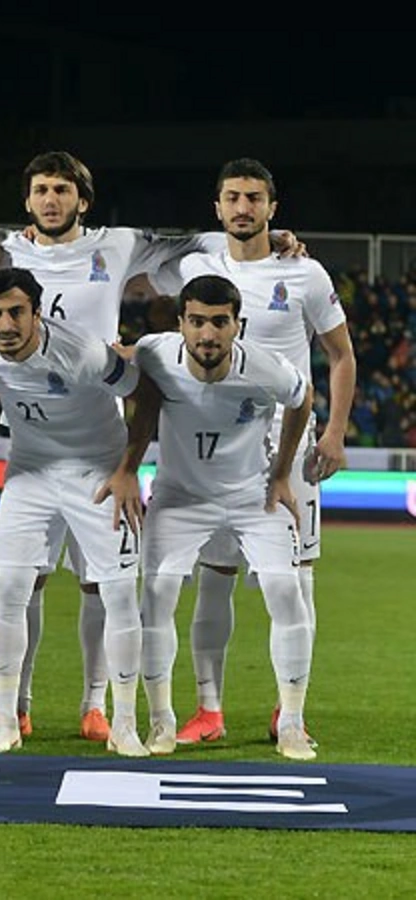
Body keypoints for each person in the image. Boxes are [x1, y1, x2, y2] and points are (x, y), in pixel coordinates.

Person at [0, 151, 298, 743]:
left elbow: (191, 242)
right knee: (23, 580)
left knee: (101, 583)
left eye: (62, 189)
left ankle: (96, 705)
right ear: (27, 200)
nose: (51, 200)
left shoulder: (118, 244)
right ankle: (18, 706)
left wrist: (270, 239)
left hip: (99, 441)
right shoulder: (3, 250)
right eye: (41, 190)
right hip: (31, 444)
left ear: (83, 200)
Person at [149, 159, 355, 747]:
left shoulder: (305, 273)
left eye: (255, 198)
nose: (244, 208)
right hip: (218, 447)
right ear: (217, 207)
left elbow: (341, 355)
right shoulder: (195, 266)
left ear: (272, 207)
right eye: (233, 198)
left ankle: (290, 711)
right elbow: (134, 260)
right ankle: (208, 709)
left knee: (294, 580)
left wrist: (335, 431)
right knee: (214, 577)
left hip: (288, 444)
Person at [0, 267, 149, 756]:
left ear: (37, 312)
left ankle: (124, 725)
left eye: (16, 312)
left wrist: (128, 469)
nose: (5, 325)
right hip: (30, 470)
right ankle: (6, 722)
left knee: (118, 592)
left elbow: (143, 393)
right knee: (10, 588)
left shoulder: (82, 352)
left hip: (97, 471)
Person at [119, 274, 316, 761]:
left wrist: (282, 474)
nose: (207, 334)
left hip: (253, 498)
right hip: (180, 497)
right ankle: (162, 721)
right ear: (181, 323)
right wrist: (125, 468)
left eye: (220, 323)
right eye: (197, 322)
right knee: (157, 594)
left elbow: (302, 398)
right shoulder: (155, 353)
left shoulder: (265, 367)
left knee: (285, 589)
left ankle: (292, 723)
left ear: (237, 325)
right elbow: (123, 377)